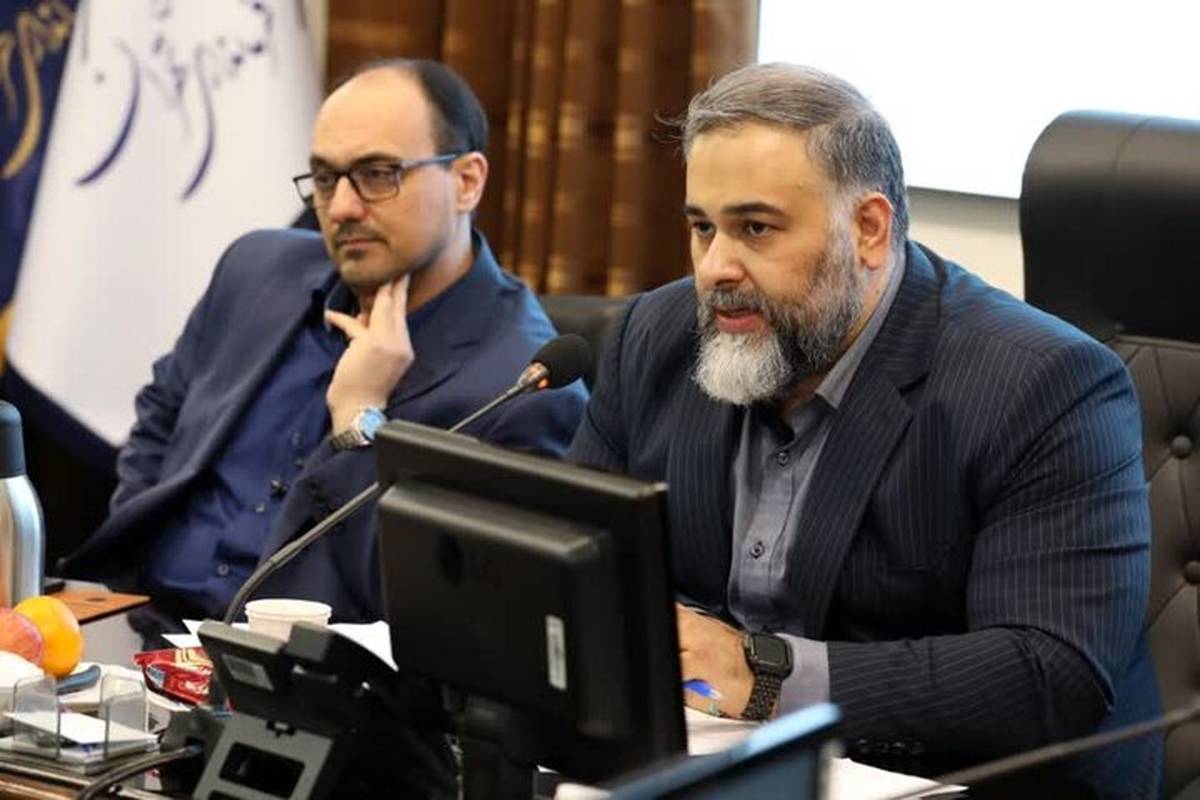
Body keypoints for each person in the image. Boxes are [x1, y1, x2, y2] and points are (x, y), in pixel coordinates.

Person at [569, 63, 1160, 797]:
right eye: (702, 227)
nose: (715, 267)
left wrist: (760, 673)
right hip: (713, 762)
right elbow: (578, 560)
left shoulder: (1041, 383)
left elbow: (1047, 675)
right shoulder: (654, 338)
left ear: (869, 230)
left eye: (756, 228)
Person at [64, 58, 587, 634]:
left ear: (466, 181)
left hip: (292, 671)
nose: (340, 208)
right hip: (135, 624)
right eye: (325, 178)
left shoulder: (523, 387)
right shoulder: (255, 269)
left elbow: (442, 613)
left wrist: (360, 425)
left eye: (378, 174)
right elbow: (160, 418)